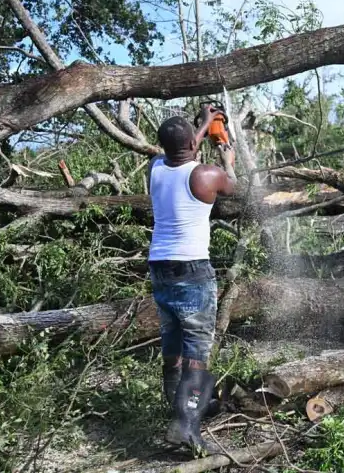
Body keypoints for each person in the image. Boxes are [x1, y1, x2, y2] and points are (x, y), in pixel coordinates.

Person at [147, 104, 237, 454]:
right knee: (197, 350)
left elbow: (182, 148)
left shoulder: (155, 168)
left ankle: (176, 411)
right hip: (192, 269)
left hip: (159, 267)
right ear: (193, 144)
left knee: (172, 346)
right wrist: (227, 156)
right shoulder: (207, 175)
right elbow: (234, 187)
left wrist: (202, 125)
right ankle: (186, 427)